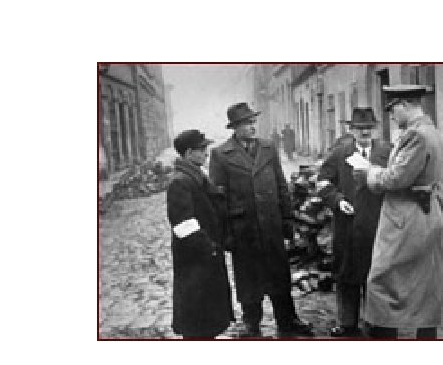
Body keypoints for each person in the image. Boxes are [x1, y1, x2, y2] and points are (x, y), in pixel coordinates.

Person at [352, 85, 443, 339]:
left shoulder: (415, 136)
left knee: (383, 281)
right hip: (427, 212)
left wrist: (369, 171)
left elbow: (394, 180)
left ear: (404, 105)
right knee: (425, 284)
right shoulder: (431, 131)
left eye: (393, 109)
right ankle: (425, 337)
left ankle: (385, 339)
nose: (392, 116)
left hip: (405, 217)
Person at [209, 103, 312, 338]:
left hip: (271, 225)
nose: (252, 127)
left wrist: (287, 220)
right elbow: (218, 199)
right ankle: (251, 322)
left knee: (279, 274)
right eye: (246, 123)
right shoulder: (220, 155)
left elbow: (281, 185)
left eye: (253, 122)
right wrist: (226, 234)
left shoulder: (268, 148)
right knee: (248, 278)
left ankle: (287, 320)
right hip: (243, 228)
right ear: (235, 128)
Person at [317, 108, 393, 337]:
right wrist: (338, 201)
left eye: (369, 127)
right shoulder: (340, 154)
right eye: (360, 128)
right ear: (351, 130)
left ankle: (377, 322)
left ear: (375, 129)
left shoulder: (387, 152)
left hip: (378, 224)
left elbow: (396, 182)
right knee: (347, 274)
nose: (365, 132)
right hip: (347, 225)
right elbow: (322, 183)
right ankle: (347, 322)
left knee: (377, 275)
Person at [167, 129, 234, 338]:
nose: (206, 153)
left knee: (207, 314)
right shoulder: (180, 181)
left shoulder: (195, 176)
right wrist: (209, 248)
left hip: (204, 258)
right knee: (196, 317)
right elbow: (183, 224)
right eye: (202, 149)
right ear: (188, 153)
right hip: (195, 259)